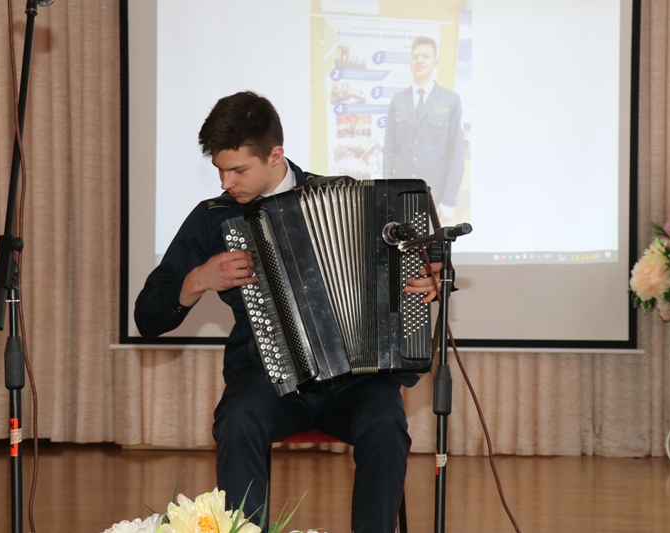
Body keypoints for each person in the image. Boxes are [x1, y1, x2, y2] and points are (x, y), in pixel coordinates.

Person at [134, 91, 440, 533]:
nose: (225, 183)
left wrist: (423, 281)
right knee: (238, 417)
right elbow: (148, 316)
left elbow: (408, 273)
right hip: (266, 381)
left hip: (354, 382)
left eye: (239, 170)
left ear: (275, 155)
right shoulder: (211, 218)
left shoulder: (345, 196)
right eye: (219, 170)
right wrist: (199, 279)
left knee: (386, 420)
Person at [382, 36, 465, 223]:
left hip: (435, 198)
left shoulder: (450, 100)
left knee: (432, 242)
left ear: (435, 62)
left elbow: (457, 154)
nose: (419, 60)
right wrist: (386, 193)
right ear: (410, 63)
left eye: (425, 56)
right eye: (415, 57)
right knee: (400, 242)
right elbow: (389, 149)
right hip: (401, 197)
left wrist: (449, 200)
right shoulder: (398, 100)